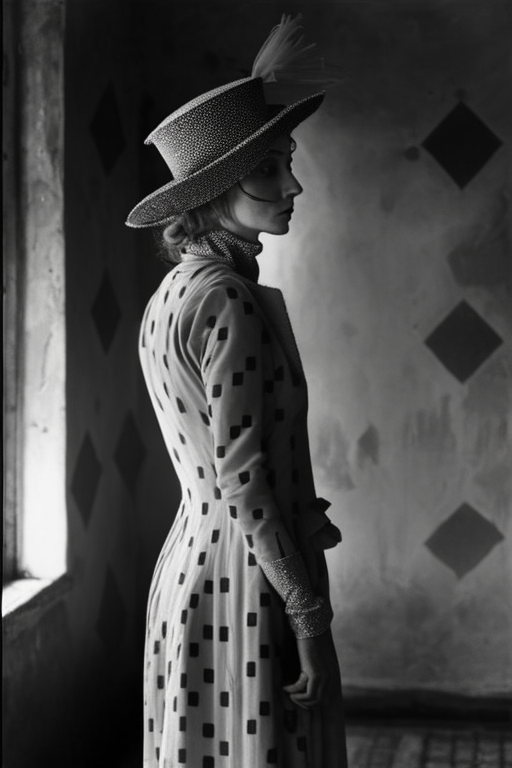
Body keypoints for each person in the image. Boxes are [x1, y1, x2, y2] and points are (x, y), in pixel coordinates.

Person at [126, 15, 348, 768]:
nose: (293, 185)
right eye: (268, 170)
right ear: (216, 190)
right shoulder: (225, 299)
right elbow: (246, 488)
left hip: (199, 572)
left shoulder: (177, 290)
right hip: (244, 590)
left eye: (287, 162)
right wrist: (309, 616)